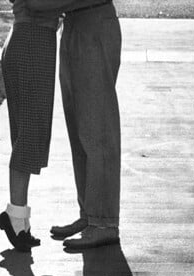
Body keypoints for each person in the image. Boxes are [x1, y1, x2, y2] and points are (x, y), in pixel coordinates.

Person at [26, 0, 122, 251]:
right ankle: (90, 215)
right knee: (80, 132)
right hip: (74, 25)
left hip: (94, 23)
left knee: (97, 130)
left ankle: (104, 223)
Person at [0, 0, 61, 252]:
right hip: (32, 39)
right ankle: (15, 217)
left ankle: (20, 220)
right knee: (30, 134)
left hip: (31, 38)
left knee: (28, 133)